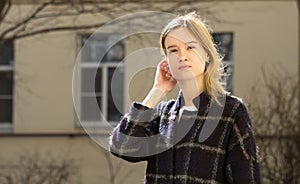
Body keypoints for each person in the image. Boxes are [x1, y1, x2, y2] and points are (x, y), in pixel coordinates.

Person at [109, 12, 261, 184]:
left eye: (190, 47)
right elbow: (121, 146)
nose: (182, 56)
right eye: (173, 50)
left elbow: (246, 178)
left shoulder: (231, 112)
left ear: (206, 53)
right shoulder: (162, 115)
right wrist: (157, 91)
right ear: (166, 60)